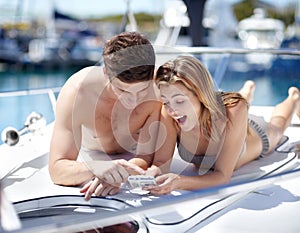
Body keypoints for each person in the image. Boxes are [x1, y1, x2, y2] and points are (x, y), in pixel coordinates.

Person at [147, 55, 300, 195]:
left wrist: (180, 182)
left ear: (200, 94)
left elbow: (222, 176)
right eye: (165, 101)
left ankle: (294, 98)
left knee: (277, 126)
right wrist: (150, 173)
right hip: (221, 114)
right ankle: (247, 91)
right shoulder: (170, 111)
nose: (172, 110)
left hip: (254, 133)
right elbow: (161, 163)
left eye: (180, 101)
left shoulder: (234, 109)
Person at [49, 32, 164, 199]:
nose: (132, 102)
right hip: (91, 155)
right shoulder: (78, 93)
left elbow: (147, 157)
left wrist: (118, 174)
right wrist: (95, 168)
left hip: (132, 157)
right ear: (105, 72)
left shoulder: (159, 89)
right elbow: (57, 170)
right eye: (123, 90)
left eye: (142, 91)